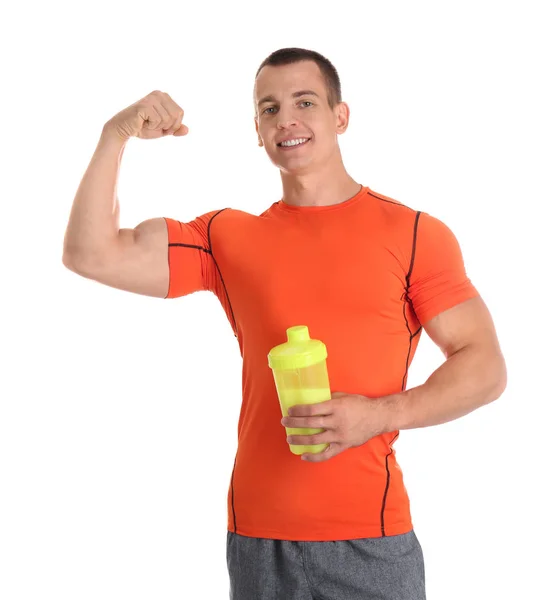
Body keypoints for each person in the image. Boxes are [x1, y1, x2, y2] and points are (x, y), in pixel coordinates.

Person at [62, 47, 507, 600]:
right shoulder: (227, 237)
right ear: (257, 130)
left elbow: (484, 366)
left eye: (305, 102)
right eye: (269, 109)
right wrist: (115, 135)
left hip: (370, 537)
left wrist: (377, 414)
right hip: (257, 541)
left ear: (340, 116)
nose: (287, 120)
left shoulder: (415, 233)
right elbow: (90, 253)